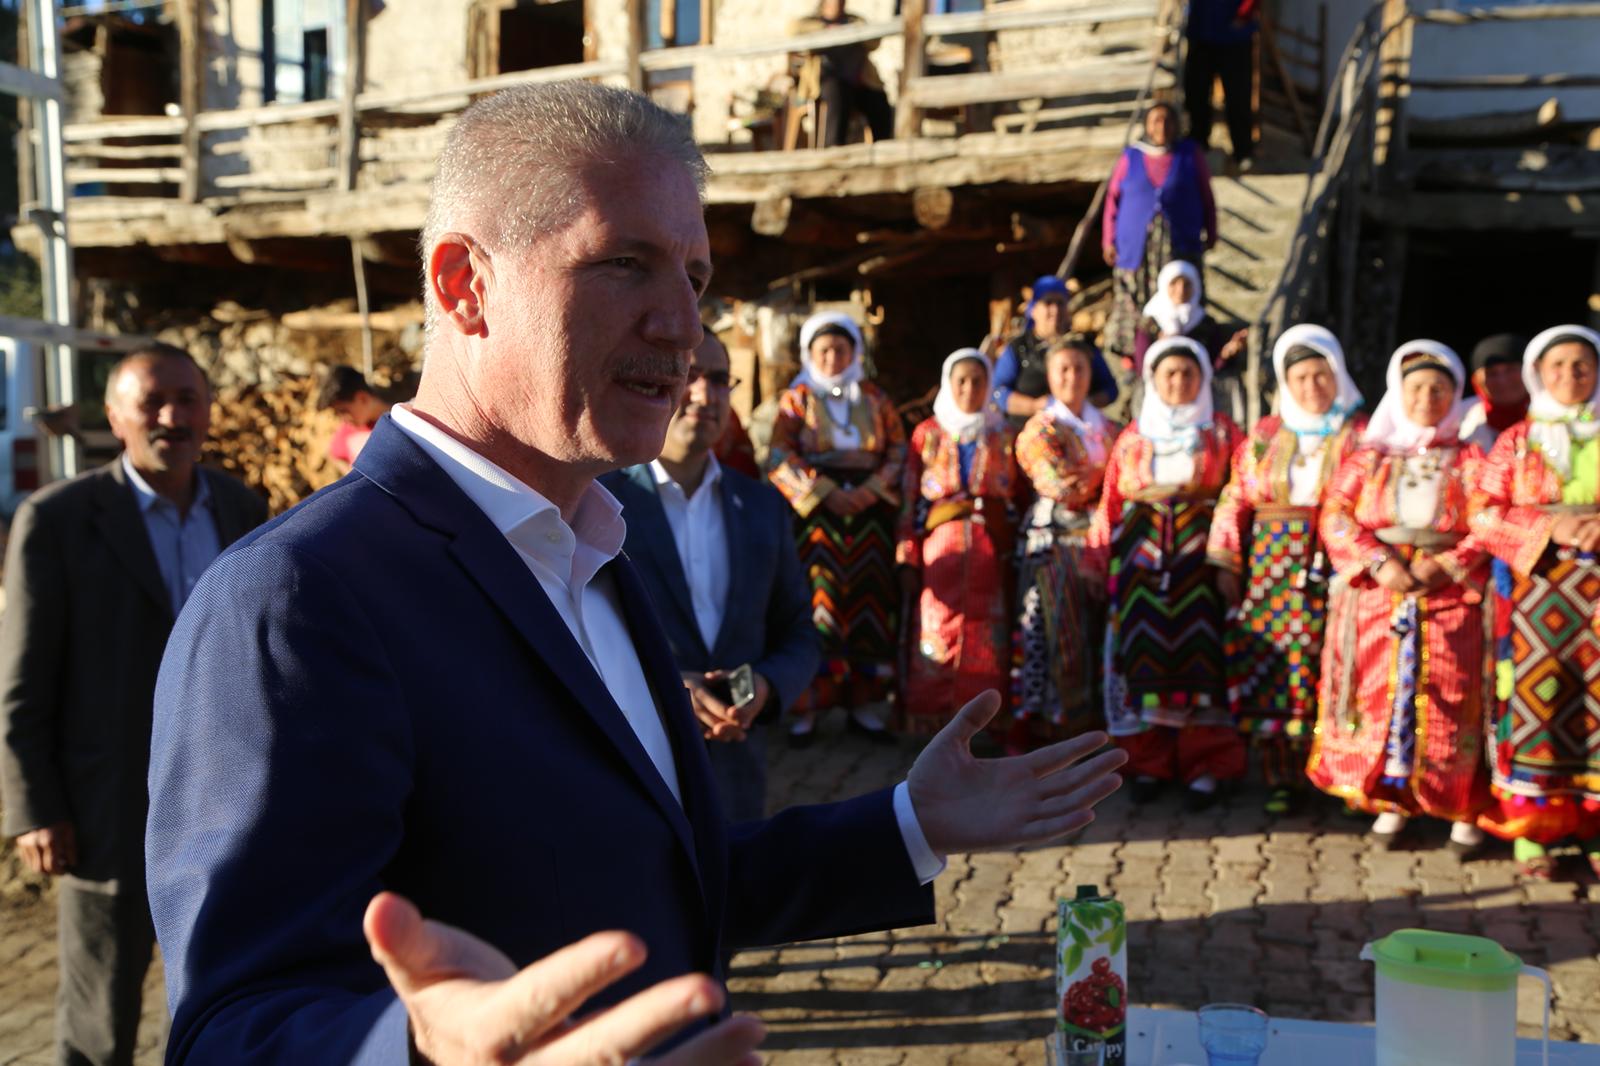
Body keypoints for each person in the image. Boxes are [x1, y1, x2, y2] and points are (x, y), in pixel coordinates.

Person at [144, 82, 1132, 1066]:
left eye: (694, 277)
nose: (686, 329)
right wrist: (419, 1052)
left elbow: (657, 875)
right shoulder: (294, 597)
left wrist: (909, 822)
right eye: (625, 263)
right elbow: (232, 1027)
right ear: (463, 285)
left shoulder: (596, 555)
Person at [0, 343, 266, 1066]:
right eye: (152, 402)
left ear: (208, 413)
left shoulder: (242, 508)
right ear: (115, 417)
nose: (172, 417)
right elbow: (24, 677)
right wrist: (35, 805)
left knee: (221, 1001)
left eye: (188, 400)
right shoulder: (57, 520)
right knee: (99, 1015)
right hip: (106, 805)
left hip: (224, 802)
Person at [601, 333, 819, 823]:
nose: (706, 394)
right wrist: (664, 690)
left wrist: (766, 686)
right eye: (689, 375)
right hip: (634, 773)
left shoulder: (762, 507)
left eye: (720, 380)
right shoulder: (599, 504)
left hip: (737, 778)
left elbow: (800, 634)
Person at [1309, 341, 1492, 853]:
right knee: (1380, 694)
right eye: (1416, 388)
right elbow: (1336, 514)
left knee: (1453, 695)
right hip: (1379, 592)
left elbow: (1487, 518)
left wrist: (1445, 564)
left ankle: (1460, 805)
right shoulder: (1368, 457)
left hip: (1448, 593)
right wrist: (1379, 562)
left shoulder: (1471, 458)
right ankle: (1392, 799)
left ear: (1455, 395)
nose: (1427, 398)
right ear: (1398, 391)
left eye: (1439, 389)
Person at [1206, 325, 1366, 815]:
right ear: (1285, 382)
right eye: (1300, 378)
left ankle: (1344, 775)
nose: (1312, 387)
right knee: (1278, 668)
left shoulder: (1361, 434)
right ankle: (1283, 775)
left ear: (1337, 375)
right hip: (1272, 565)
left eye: (1321, 375)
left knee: (1342, 662)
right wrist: (1226, 559)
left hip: (1338, 560)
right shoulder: (1265, 435)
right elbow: (1236, 496)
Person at [1091, 336, 1245, 810]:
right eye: (1169, 374)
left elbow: (1239, 493)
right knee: (1144, 658)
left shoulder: (1223, 433)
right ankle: (1147, 763)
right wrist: (1098, 560)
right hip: (1140, 567)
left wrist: (1228, 559)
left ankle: (1205, 766)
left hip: (1201, 564)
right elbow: (1112, 501)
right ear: (1153, 381)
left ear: (1203, 379)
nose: (1178, 382)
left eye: (1188, 374)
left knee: (1202, 659)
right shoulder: (1133, 436)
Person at [1470, 325, 1600, 879]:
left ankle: (1595, 829)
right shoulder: (1516, 441)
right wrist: (1553, 527)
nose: (1570, 375)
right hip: (1533, 600)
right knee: (1536, 705)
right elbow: (1480, 511)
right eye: (1558, 365)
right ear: (1538, 374)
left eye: (1582, 364)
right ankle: (1533, 831)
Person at [768, 311, 907, 747]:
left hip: (869, 517)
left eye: (841, 349)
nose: (832, 357)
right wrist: (825, 491)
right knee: (819, 602)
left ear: (855, 353)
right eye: (824, 350)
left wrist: (870, 490)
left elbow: (898, 449)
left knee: (868, 601)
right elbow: (779, 453)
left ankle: (862, 705)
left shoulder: (876, 398)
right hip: (817, 517)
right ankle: (807, 708)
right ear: (810, 354)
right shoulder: (797, 399)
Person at [897, 349, 1019, 735]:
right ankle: (930, 719)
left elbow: (1016, 497)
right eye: (961, 380)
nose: (969, 389)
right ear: (948, 384)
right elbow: (909, 497)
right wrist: (907, 555)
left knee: (987, 630)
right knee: (936, 623)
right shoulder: (927, 434)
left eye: (978, 381)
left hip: (988, 547)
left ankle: (983, 722)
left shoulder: (1002, 434)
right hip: (940, 546)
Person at [1013, 338, 1121, 747]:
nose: (1072, 377)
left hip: (1105, 541)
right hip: (1056, 541)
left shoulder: (1110, 428)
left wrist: (1098, 480)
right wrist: (1108, 478)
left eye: (1079, 368)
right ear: (1050, 375)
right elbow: (1058, 484)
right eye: (1063, 369)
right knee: (1061, 632)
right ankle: (1061, 729)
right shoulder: (1039, 429)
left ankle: (1104, 725)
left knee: (1102, 634)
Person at [1101, 103, 1218, 377]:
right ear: (1146, 125)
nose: (1161, 126)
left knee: (1179, 292)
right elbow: (1112, 199)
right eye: (1155, 120)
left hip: (1180, 243)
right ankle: (1135, 359)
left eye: (1167, 120)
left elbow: (1206, 195)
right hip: (1135, 246)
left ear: (1177, 124)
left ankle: (1184, 355)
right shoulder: (1131, 156)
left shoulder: (1189, 154)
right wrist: (1108, 239)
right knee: (1133, 298)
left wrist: (1211, 231)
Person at [991, 276, 1118, 423]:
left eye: (1060, 303)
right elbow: (998, 392)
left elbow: (1110, 389)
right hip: (1026, 428)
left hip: (1080, 428)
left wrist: (1080, 405)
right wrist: (1035, 406)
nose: (1055, 310)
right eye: (1048, 303)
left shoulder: (1083, 346)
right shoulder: (1019, 347)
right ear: (1033, 309)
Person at [790, 0, 894, 147]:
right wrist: (828, 30)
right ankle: (834, 149)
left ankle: (885, 149)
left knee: (878, 100)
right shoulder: (812, 23)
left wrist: (853, 31)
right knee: (837, 95)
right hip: (825, 81)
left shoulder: (854, 21)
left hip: (858, 82)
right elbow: (793, 30)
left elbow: (874, 42)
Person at [1184, 0, 1259, 172]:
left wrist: (1244, 14)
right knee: (1196, 92)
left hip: (1234, 35)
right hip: (1201, 30)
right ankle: (1198, 143)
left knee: (1238, 96)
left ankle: (1242, 151)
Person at [1458, 332, 1530, 453]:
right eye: (1491, 373)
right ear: (1476, 380)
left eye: (1511, 369)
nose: (1502, 380)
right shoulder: (1458, 418)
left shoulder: (1554, 415)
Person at [318, 364, 393, 473]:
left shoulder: (402, 421)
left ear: (362, 398)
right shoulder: (348, 432)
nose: (343, 419)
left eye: (344, 411)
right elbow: (333, 453)